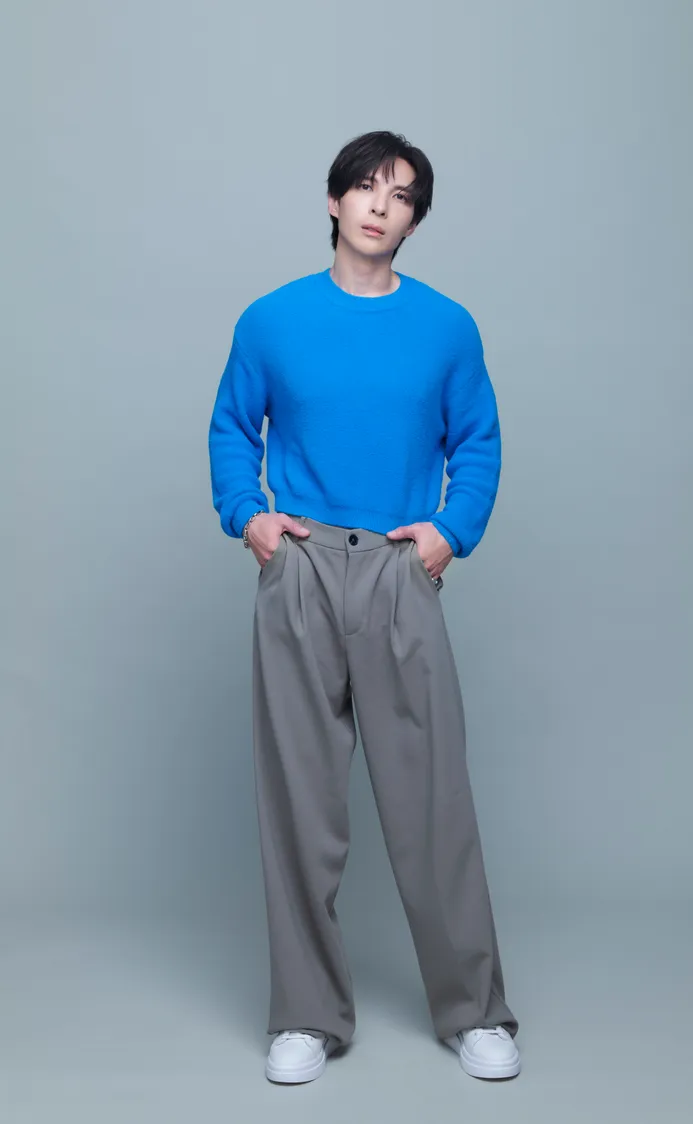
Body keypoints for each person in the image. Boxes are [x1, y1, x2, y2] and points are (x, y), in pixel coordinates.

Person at [208, 130, 520, 1084]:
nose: (381, 205)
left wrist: (447, 533)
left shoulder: (447, 327)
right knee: (300, 805)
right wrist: (250, 518)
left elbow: (479, 441)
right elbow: (232, 428)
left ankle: (475, 1010)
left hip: (397, 566)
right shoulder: (271, 320)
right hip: (301, 563)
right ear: (335, 200)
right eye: (366, 187)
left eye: (403, 195)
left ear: (415, 220)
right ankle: (306, 1016)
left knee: (432, 804)